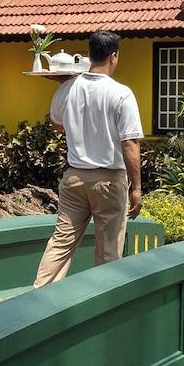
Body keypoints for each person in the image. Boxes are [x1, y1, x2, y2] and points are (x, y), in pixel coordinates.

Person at [33, 30, 143, 286]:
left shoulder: (67, 88)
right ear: (113, 56)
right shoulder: (121, 94)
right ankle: (103, 303)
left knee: (61, 242)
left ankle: (39, 294)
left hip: (74, 178)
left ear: (89, 54)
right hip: (108, 179)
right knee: (108, 250)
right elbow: (130, 142)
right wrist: (136, 187)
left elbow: (57, 124)